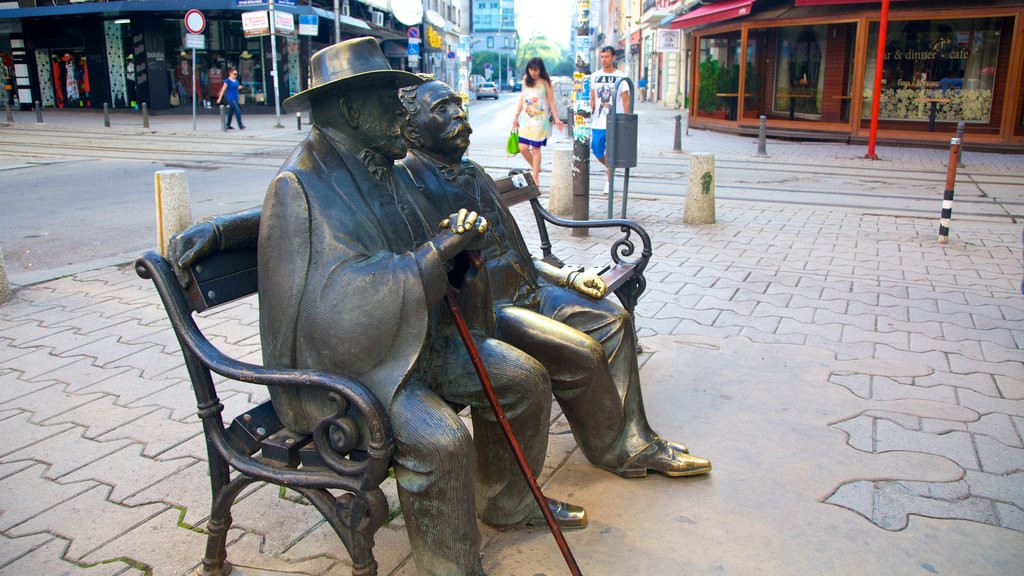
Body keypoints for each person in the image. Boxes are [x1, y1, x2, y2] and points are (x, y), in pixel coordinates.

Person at [174, 38, 581, 576]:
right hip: (341, 371)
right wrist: (430, 257)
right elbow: (337, 302)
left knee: (524, 379)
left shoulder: (383, 164)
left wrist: (458, 255)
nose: (399, 109)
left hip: (407, 342)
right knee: (440, 440)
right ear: (348, 109)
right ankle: (450, 567)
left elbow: (417, 242)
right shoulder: (300, 184)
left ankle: (510, 500)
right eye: (389, 97)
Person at [402, 79, 711, 479]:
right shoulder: (408, 185)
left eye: (459, 105)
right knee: (582, 352)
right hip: (489, 311)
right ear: (411, 130)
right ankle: (618, 449)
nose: (459, 114)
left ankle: (633, 440)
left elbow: (518, 250)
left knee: (614, 323)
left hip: (533, 289)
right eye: (443, 108)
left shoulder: (472, 172)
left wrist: (568, 275)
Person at [511, 57, 564, 187]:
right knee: (523, 148)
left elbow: (551, 101)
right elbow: (522, 99)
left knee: (535, 148)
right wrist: (516, 116)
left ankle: (535, 177)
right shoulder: (525, 80)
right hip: (526, 119)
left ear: (540, 70)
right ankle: (536, 167)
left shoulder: (545, 82)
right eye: (530, 69)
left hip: (540, 120)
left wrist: (557, 119)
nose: (533, 72)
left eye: (535, 70)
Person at [590, 46, 629, 194]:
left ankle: (609, 181)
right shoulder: (595, 76)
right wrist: (588, 113)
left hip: (615, 120)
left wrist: (627, 119)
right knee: (596, 148)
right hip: (598, 121)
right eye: (602, 57)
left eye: (607, 56)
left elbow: (626, 99)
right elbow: (593, 99)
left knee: (611, 151)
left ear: (613, 58)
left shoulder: (621, 76)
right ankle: (609, 168)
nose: (604, 59)